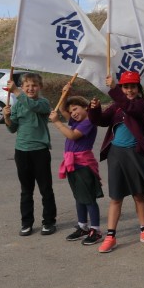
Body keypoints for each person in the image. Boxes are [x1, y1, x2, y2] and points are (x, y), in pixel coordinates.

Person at [88, 72, 144, 253]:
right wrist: (94, 109)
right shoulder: (116, 107)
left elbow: (131, 108)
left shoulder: (142, 104)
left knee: (138, 195)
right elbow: (101, 121)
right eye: (125, 87)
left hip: (134, 153)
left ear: (138, 88)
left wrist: (113, 89)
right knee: (116, 197)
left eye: (133, 87)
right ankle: (111, 236)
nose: (129, 90)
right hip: (116, 154)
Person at [4, 72, 57, 236]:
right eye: (26, 85)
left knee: (45, 189)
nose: (30, 88)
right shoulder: (18, 104)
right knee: (26, 190)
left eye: (34, 85)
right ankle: (26, 223)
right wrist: (6, 117)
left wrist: (16, 92)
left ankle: (49, 222)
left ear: (39, 87)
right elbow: (12, 128)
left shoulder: (43, 103)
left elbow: (32, 106)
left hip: (39, 151)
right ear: (23, 87)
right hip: (21, 151)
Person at [49, 88, 103, 245]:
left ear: (86, 108)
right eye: (71, 111)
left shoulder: (88, 122)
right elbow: (61, 109)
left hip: (84, 165)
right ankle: (82, 226)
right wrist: (64, 93)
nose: (72, 113)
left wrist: (57, 122)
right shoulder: (76, 121)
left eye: (76, 109)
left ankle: (96, 229)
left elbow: (72, 135)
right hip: (72, 165)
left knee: (88, 199)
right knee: (79, 197)